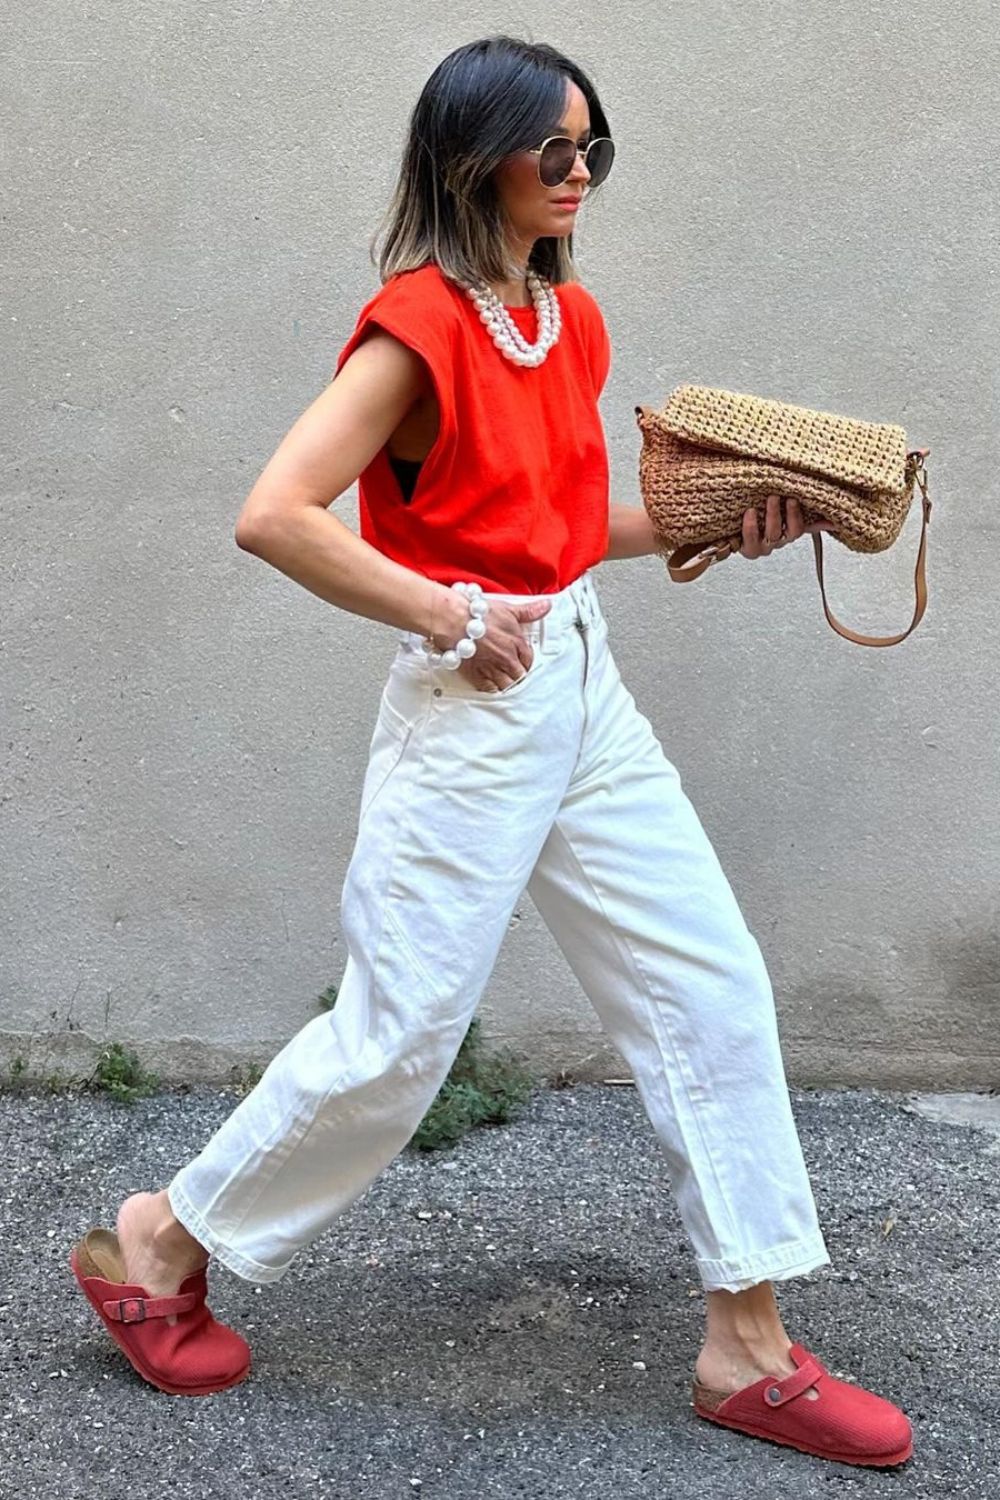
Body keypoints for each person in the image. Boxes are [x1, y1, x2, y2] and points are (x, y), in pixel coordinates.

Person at [71, 35, 913, 1467]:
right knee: (397, 1040)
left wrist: (729, 518)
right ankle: (156, 1237)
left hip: (584, 681)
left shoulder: (560, 324)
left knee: (709, 985)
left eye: (597, 149)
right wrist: (447, 613)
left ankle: (747, 1344)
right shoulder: (417, 326)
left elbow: (565, 534)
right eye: (554, 150)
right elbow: (275, 513)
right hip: (470, 710)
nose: (580, 174)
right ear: (476, 157)